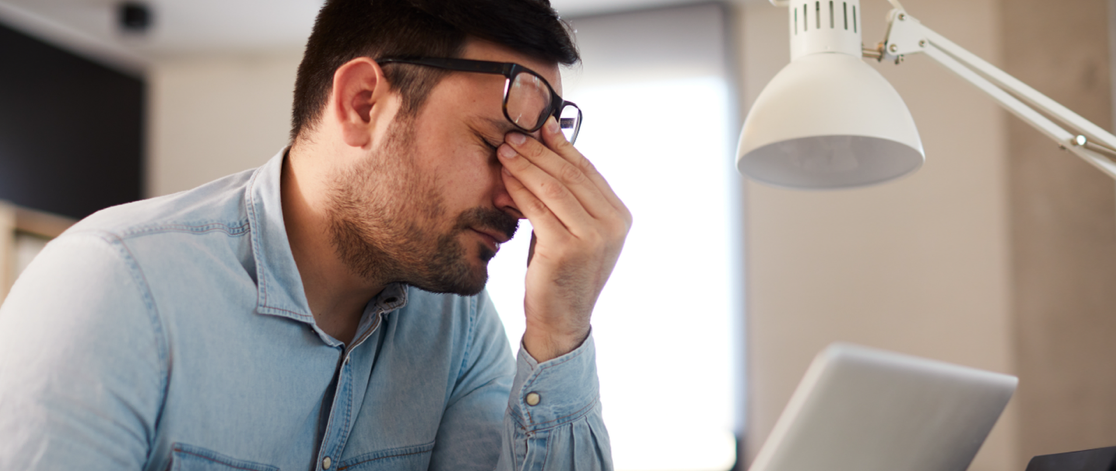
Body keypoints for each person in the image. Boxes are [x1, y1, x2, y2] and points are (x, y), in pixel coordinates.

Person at [0, 0, 631, 469]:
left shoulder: (457, 331)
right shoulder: (114, 289)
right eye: (496, 144)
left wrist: (560, 330)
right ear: (362, 103)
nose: (518, 198)